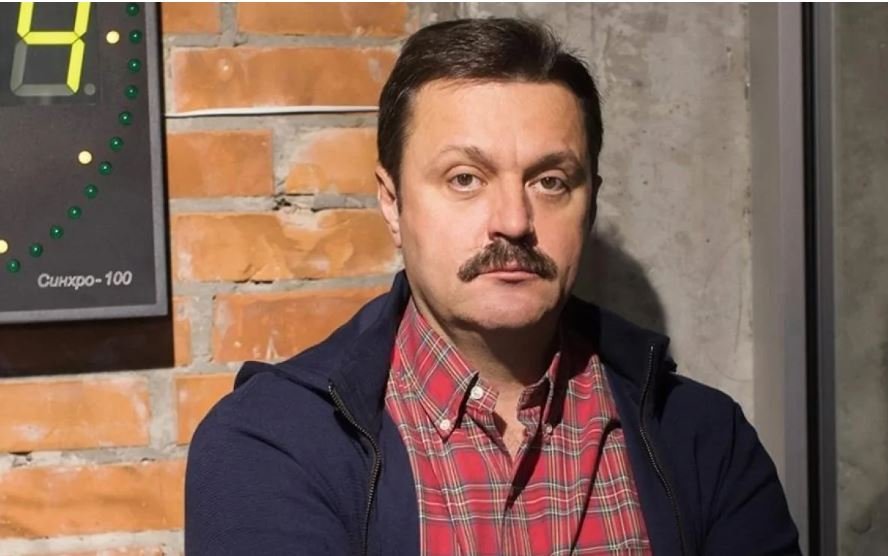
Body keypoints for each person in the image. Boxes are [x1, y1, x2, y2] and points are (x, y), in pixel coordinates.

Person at [185, 17, 800, 556]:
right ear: (392, 202)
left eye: (550, 181)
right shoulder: (273, 445)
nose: (513, 220)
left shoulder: (703, 438)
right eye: (465, 178)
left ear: (589, 204)